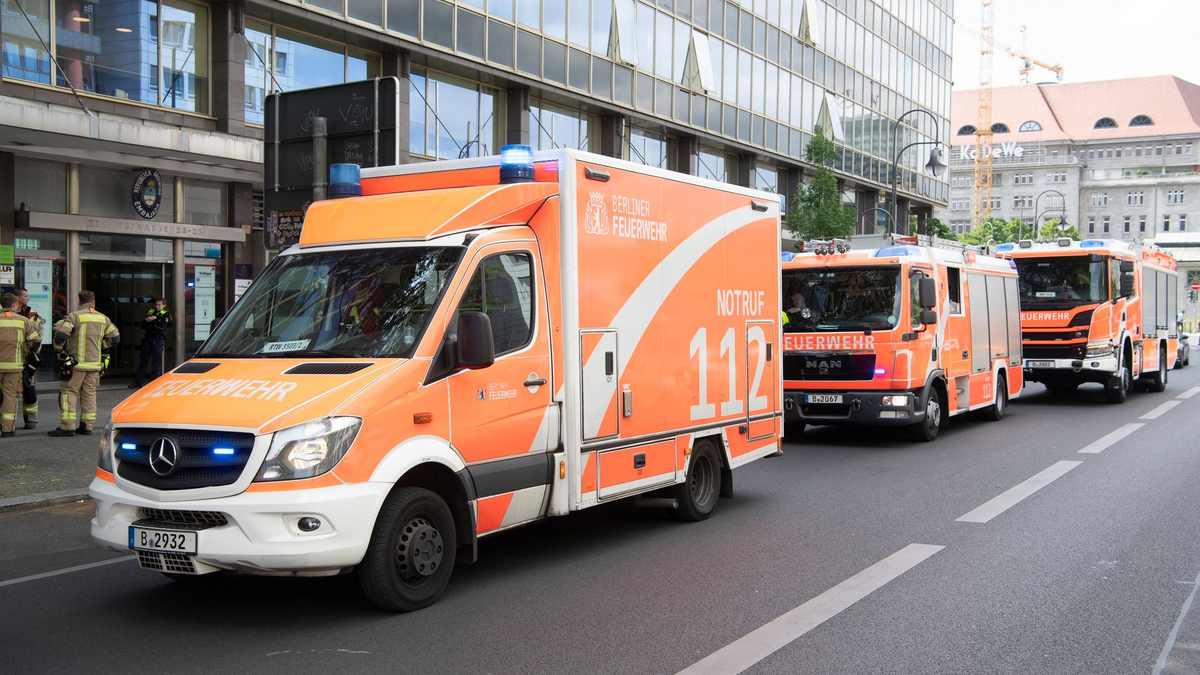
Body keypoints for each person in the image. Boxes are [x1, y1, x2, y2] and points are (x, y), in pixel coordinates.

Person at [49, 291, 119, 437]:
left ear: (80, 302)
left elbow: (61, 335)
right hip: (94, 365)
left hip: (77, 364)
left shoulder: (75, 316)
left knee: (69, 392)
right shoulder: (103, 318)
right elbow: (115, 339)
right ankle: (86, 426)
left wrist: (59, 350)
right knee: (89, 393)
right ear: (93, 302)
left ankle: (67, 426)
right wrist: (101, 346)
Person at [0, 293, 41, 437]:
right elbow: (35, 341)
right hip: (14, 366)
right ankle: (7, 429)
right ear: (14, 304)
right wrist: (27, 355)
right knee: (10, 396)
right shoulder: (23, 321)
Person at [13, 287, 43, 429]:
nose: (28, 298)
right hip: (10, 358)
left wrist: (32, 356)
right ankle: (6, 420)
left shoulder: (33, 317)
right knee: (7, 391)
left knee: (29, 388)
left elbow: (38, 338)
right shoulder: (5, 315)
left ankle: (31, 418)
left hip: (28, 357)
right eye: (25, 295)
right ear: (17, 298)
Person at [130, 298, 171, 389]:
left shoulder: (165, 314)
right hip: (148, 338)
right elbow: (143, 324)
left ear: (164, 305)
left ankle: (155, 383)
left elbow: (161, 327)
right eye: (156, 304)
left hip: (157, 339)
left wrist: (152, 321)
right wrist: (149, 321)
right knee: (143, 360)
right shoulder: (151, 311)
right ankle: (138, 382)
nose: (157, 306)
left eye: (159, 305)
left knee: (157, 361)